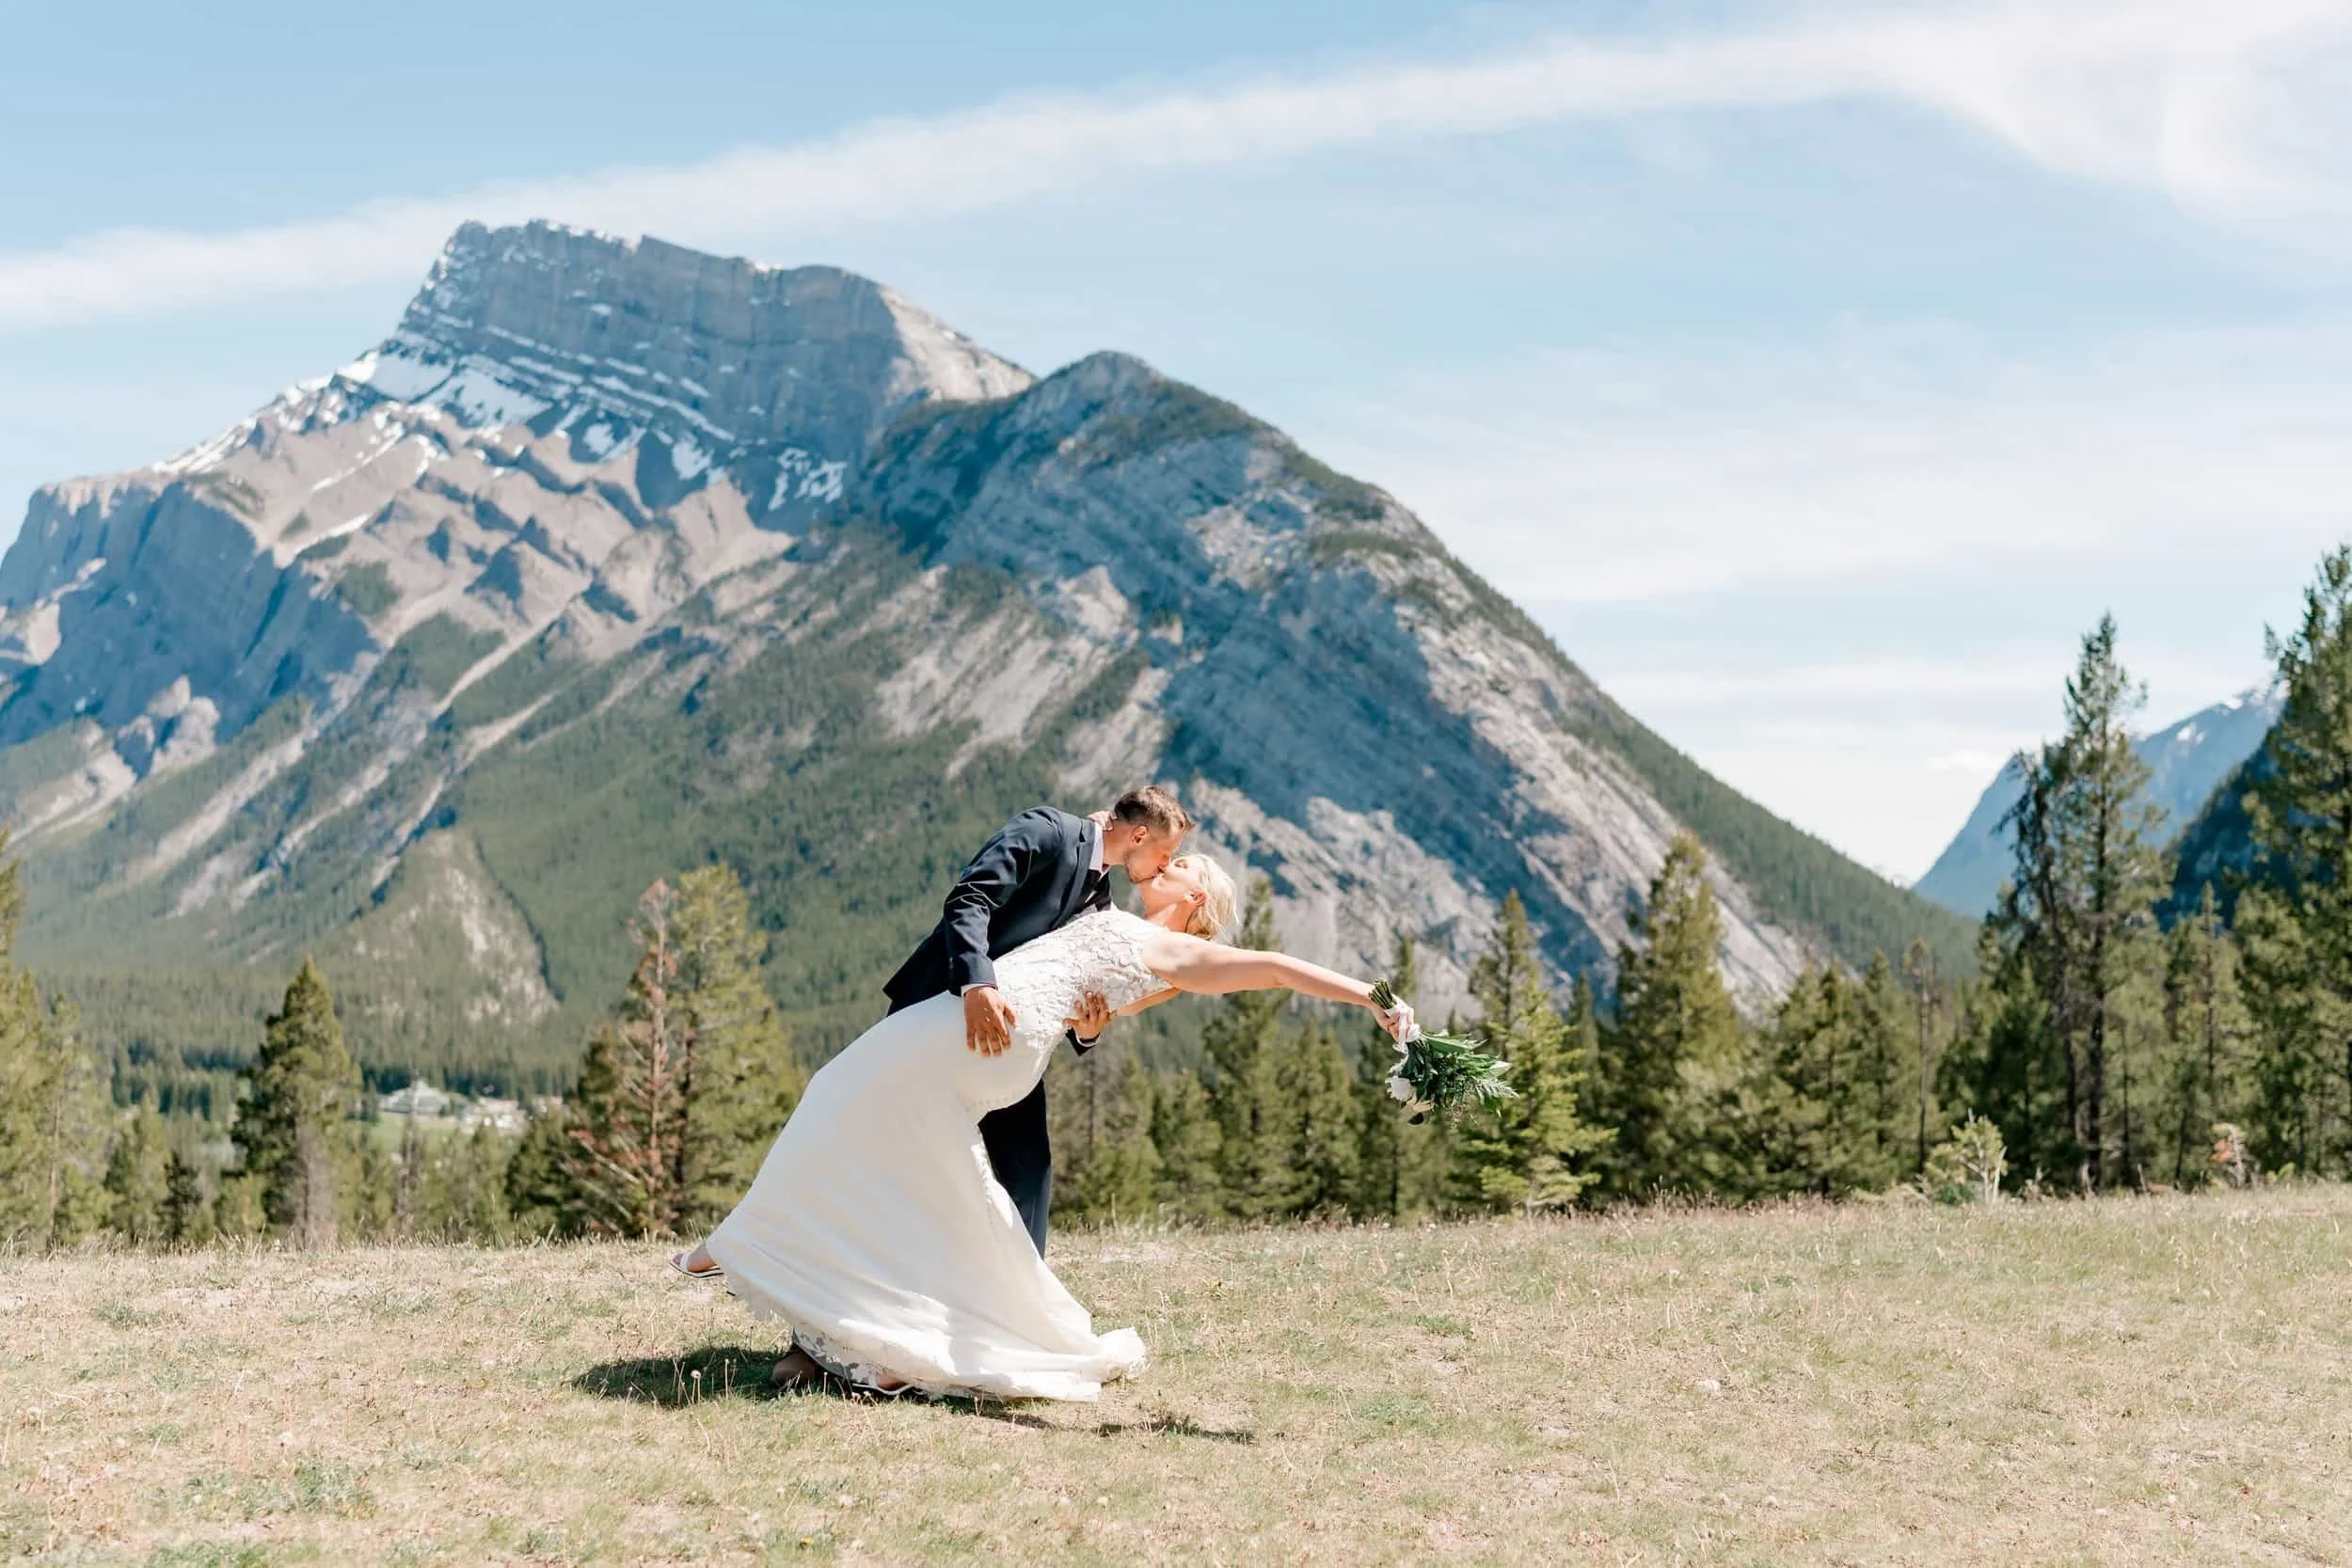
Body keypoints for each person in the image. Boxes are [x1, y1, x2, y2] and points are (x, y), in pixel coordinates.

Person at [675, 852, 1412, 1401]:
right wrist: (1092, 1022)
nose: (1171, 861)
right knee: (909, 1159)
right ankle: (870, 1334)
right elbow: (1095, 1000)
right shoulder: (1121, 919)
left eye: (1186, 864)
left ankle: (745, 1245)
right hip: (988, 1029)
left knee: (839, 1090)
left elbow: (1278, 966)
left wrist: (1374, 996)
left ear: (1195, 900)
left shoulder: (1184, 951)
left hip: (989, 1036)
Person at [882, 786, 1194, 1256]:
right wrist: (977, 986)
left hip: (1006, 1043)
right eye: (1166, 853)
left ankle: (1025, 1299)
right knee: (895, 1156)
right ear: (1140, 834)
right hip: (936, 1011)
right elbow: (969, 899)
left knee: (1029, 1165)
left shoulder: (1099, 899)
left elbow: (1072, 980)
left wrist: (1088, 1031)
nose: (1166, 865)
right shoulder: (1045, 830)